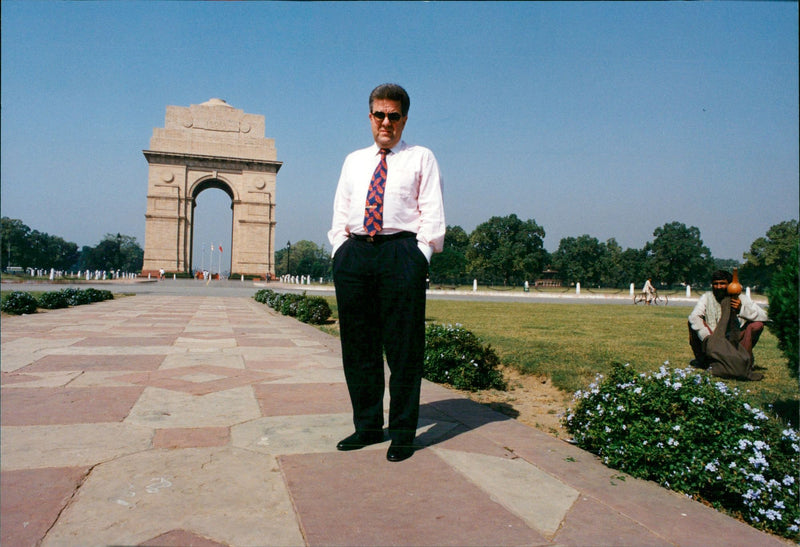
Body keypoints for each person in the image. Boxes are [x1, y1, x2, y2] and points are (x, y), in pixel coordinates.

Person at [328, 83, 445, 462]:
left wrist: (419, 256)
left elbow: (432, 212)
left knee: (404, 348)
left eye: (394, 115)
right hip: (356, 254)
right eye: (379, 114)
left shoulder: (421, 157)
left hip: (400, 253)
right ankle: (366, 426)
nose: (386, 122)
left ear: (404, 119)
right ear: (370, 117)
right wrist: (339, 250)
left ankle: (402, 433)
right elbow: (340, 209)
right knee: (358, 348)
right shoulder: (353, 161)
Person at [688, 270, 768, 380]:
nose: (718, 287)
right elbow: (694, 316)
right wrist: (707, 336)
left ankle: (744, 363)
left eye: (722, 283)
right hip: (712, 341)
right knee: (692, 324)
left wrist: (741, 309)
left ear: (729, 284)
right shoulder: (707, 297)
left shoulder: (741, 299)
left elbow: (765, 316)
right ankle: (704, 361)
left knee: (757, 325)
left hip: (734, 341)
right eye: (715, 284)